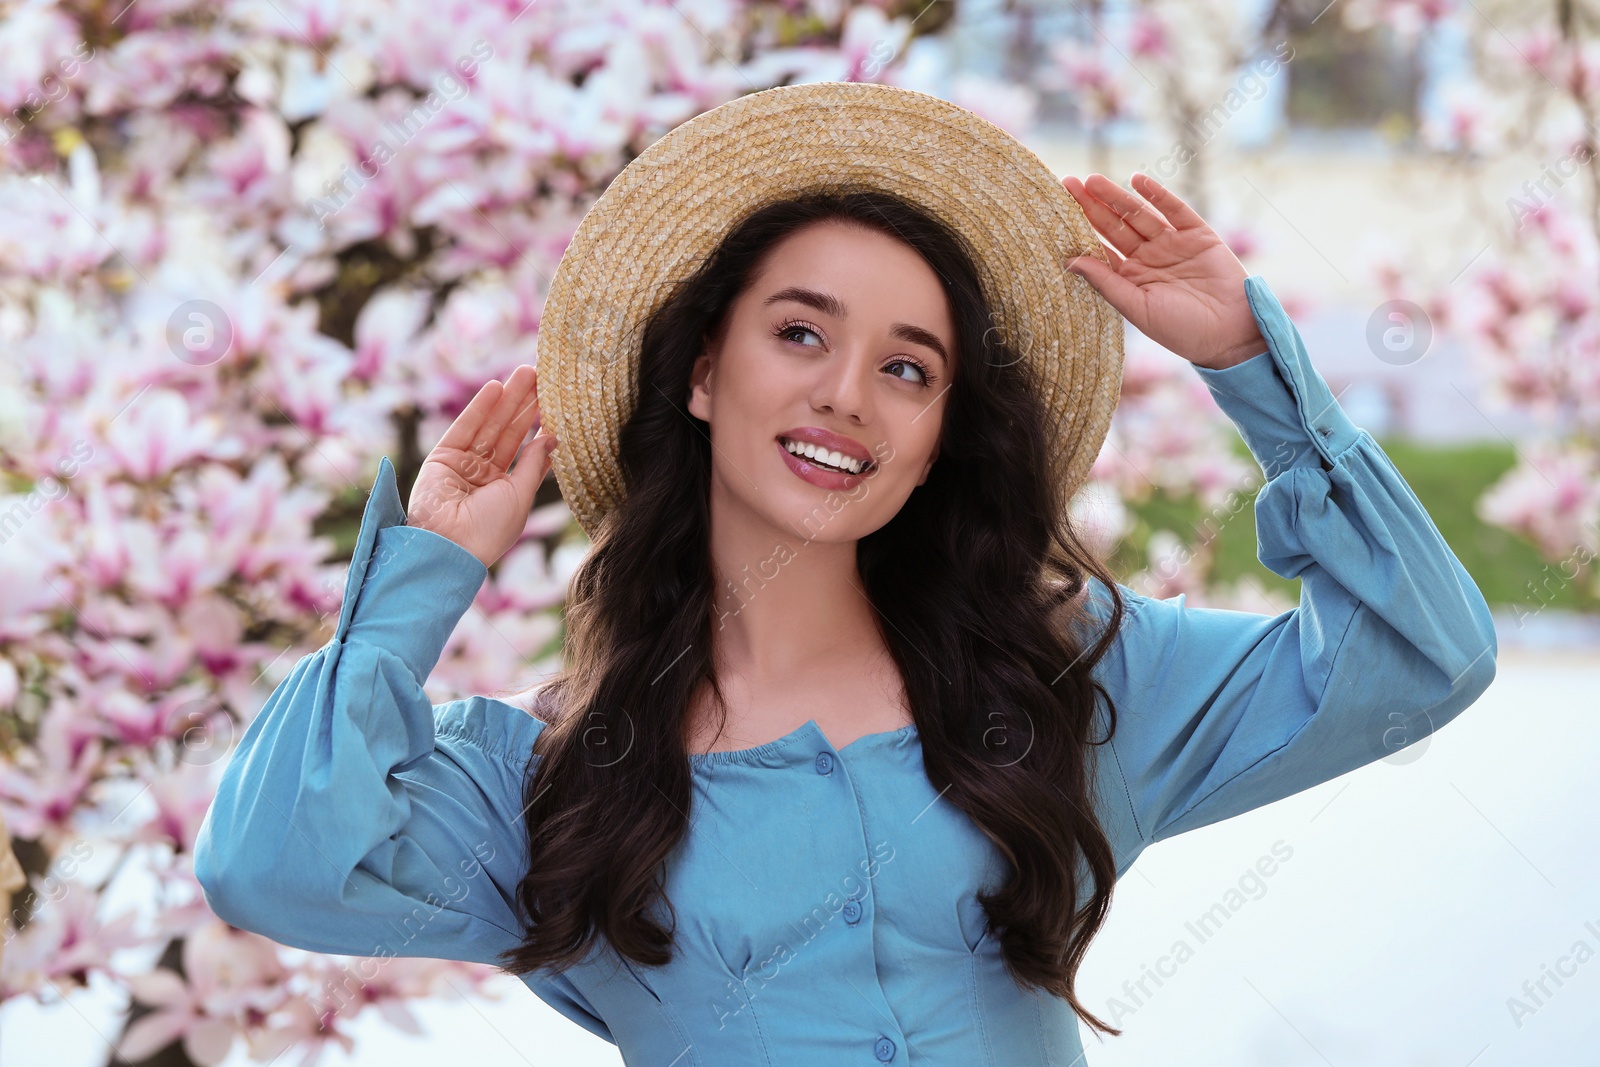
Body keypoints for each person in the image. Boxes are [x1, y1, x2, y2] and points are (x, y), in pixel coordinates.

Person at [194, 82, 1498, 1066]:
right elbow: (268, 868)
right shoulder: (547, 779)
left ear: (939, 440)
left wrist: (1256, 377)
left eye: (908, 367)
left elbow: (1422, 659)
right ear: (704, 373)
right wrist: (419, 583)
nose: (844, 395)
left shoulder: (1075, 679)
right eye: (801, 331)